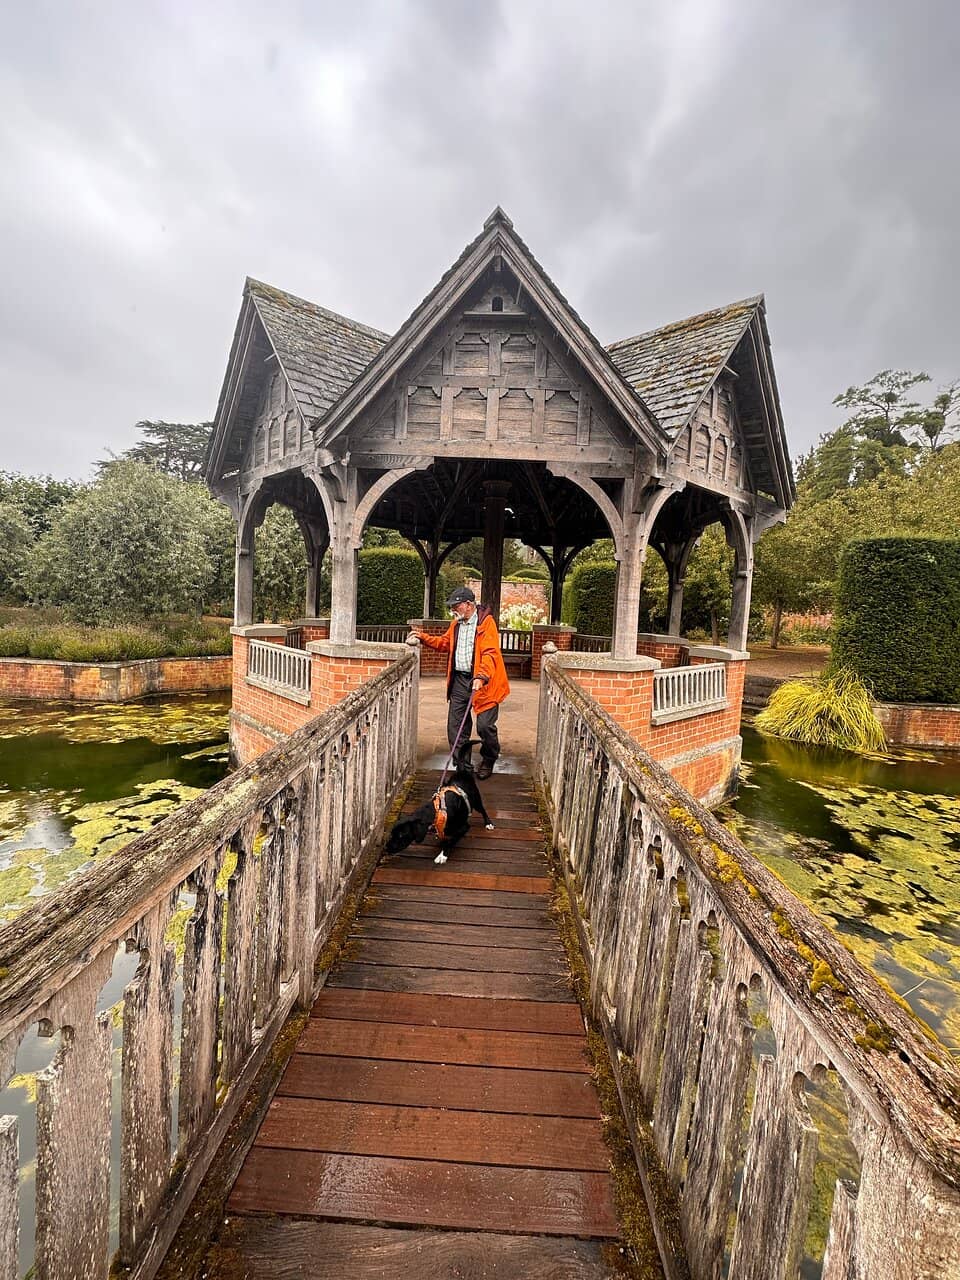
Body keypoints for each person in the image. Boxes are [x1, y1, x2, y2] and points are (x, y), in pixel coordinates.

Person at [412, 586, 509, 779]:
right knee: (456, 726)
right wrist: (422, 637)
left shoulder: (486, 624)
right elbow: (444, 643)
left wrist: (481, 676)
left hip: (485, 683)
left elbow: (490, 653)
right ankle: (462, 766)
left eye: (456, 606)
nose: (453, 610)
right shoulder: (455, 625)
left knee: (485, 727)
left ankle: (489, 758)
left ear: (469, 604)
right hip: (459, 681)